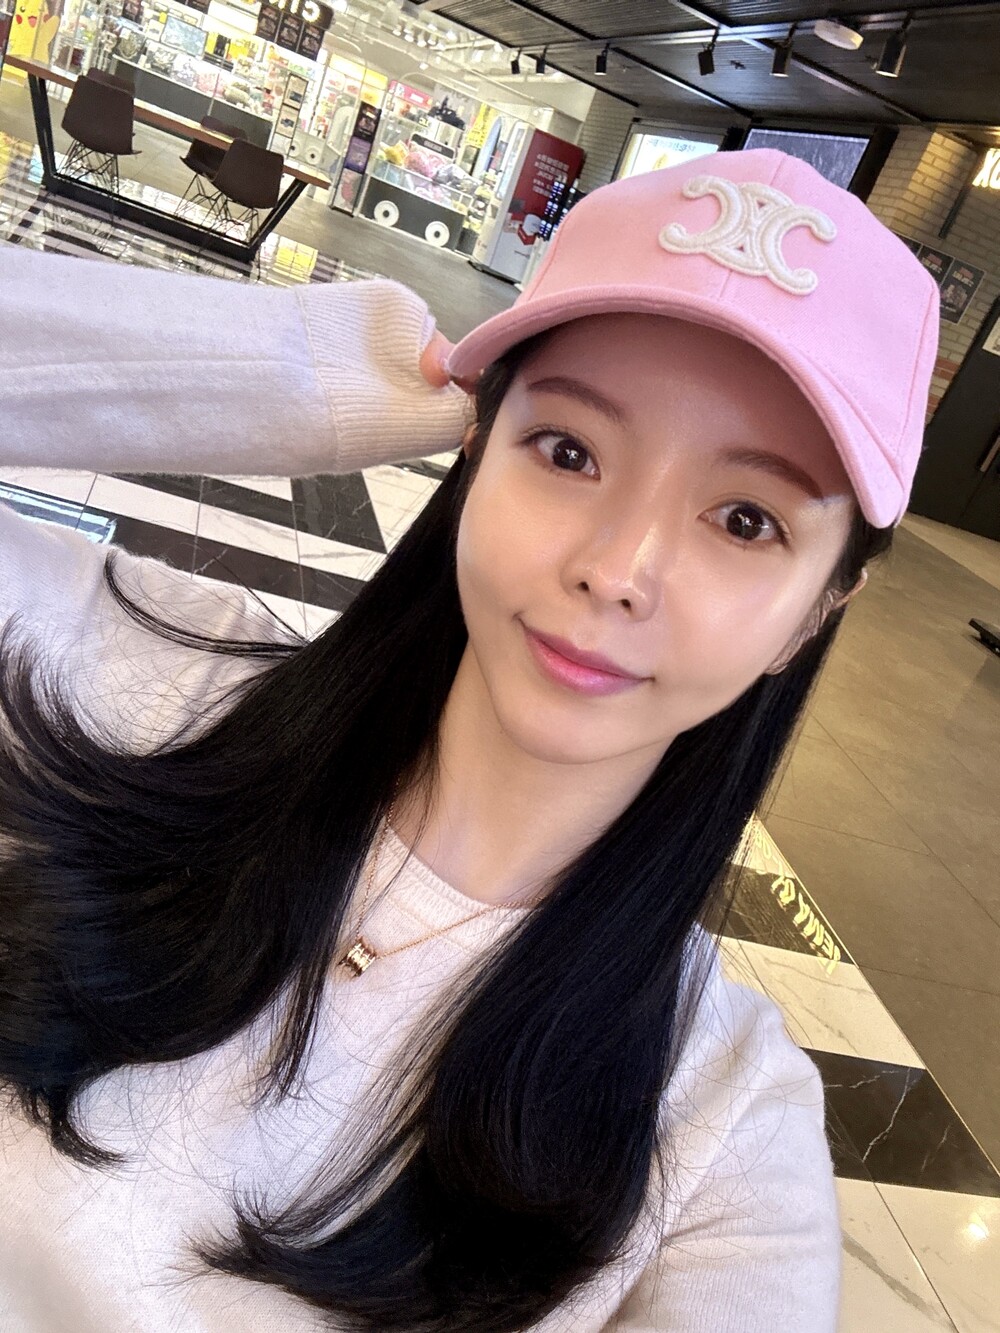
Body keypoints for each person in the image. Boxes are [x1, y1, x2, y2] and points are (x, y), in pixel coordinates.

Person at [0, 148, 938, 1332]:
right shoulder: (155, 682)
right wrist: (315, 374)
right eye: (568, 449)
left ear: (819, 607)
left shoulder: (720, 1130)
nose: (616, 568)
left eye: (745, 519)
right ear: (474, 448)